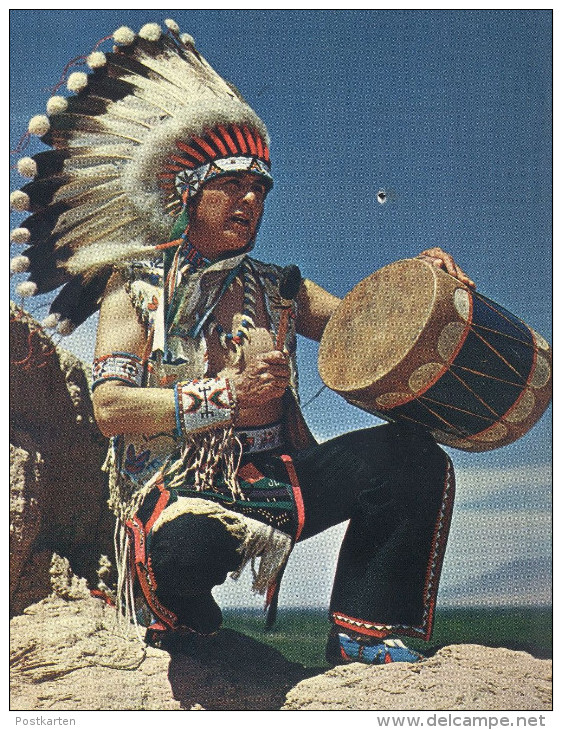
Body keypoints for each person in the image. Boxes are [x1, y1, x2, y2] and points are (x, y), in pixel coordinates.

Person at [10, 20, 474, 665]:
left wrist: (421, 284)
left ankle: (367, 633)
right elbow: (110, 407)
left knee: (409, 460)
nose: (250, 201)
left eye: (259, 190)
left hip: (277, 481)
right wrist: (223, 399)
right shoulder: (135, 290)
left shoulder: (280, 287)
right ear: (187, 194)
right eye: (232, 186)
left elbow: (369, 331)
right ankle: (188, 630)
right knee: (178, 554)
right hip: (181, 493)